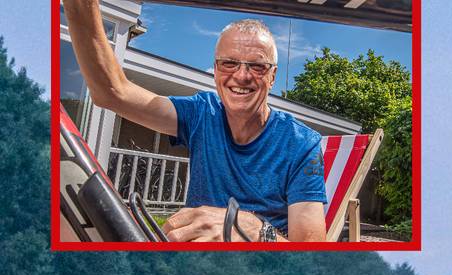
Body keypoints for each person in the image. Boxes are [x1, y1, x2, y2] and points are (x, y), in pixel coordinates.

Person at [64, 0, 327, 241]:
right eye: (229, 63)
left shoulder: (301, 144)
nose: (242, 76)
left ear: (272, 76)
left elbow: (310, 253)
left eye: (257, 66)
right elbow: (112, 93)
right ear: (214, 70)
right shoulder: (202, 114)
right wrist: (79, 6)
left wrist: (253, 229)